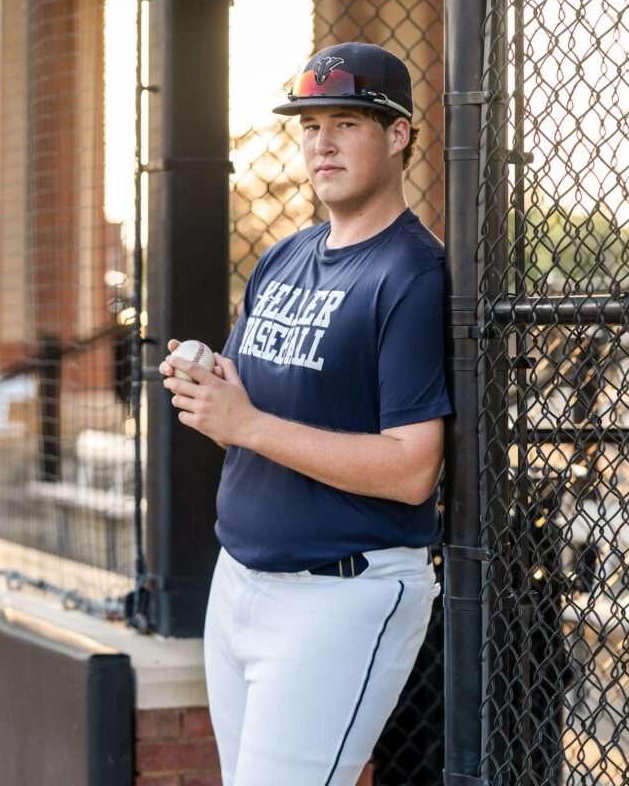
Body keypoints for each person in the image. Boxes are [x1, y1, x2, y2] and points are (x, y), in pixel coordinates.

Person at [159, 42, 452, 786]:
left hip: (340, 593)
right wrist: (203, 378)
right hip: (240, 580)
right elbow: (246, 388)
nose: (321, 142)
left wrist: (245, 424)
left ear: (397, 136)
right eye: (309, 124)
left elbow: (413, 468)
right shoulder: (285, 256)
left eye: (346, 122)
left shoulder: (412, 273)